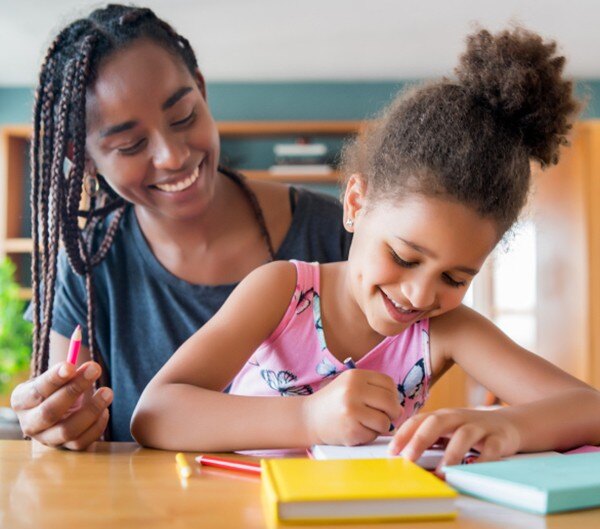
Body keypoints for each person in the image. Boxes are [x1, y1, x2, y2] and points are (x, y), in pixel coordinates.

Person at [132, 26, 600, 467]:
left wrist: (510, 425)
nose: (420, 296)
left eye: (455, 277)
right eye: (404, 257)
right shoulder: (282, 291)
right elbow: (156, 413)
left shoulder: (445, 329)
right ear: (356, 202)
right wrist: (308, 418)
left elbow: (589, 409)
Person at [10, 4, 351, 449]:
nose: (171, 156)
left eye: (184, 117)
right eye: (131, 144)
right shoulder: (87, 267)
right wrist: (57, 427)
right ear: (85, 157)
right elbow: (63, 438)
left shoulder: (334, 232)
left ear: (202, 92)